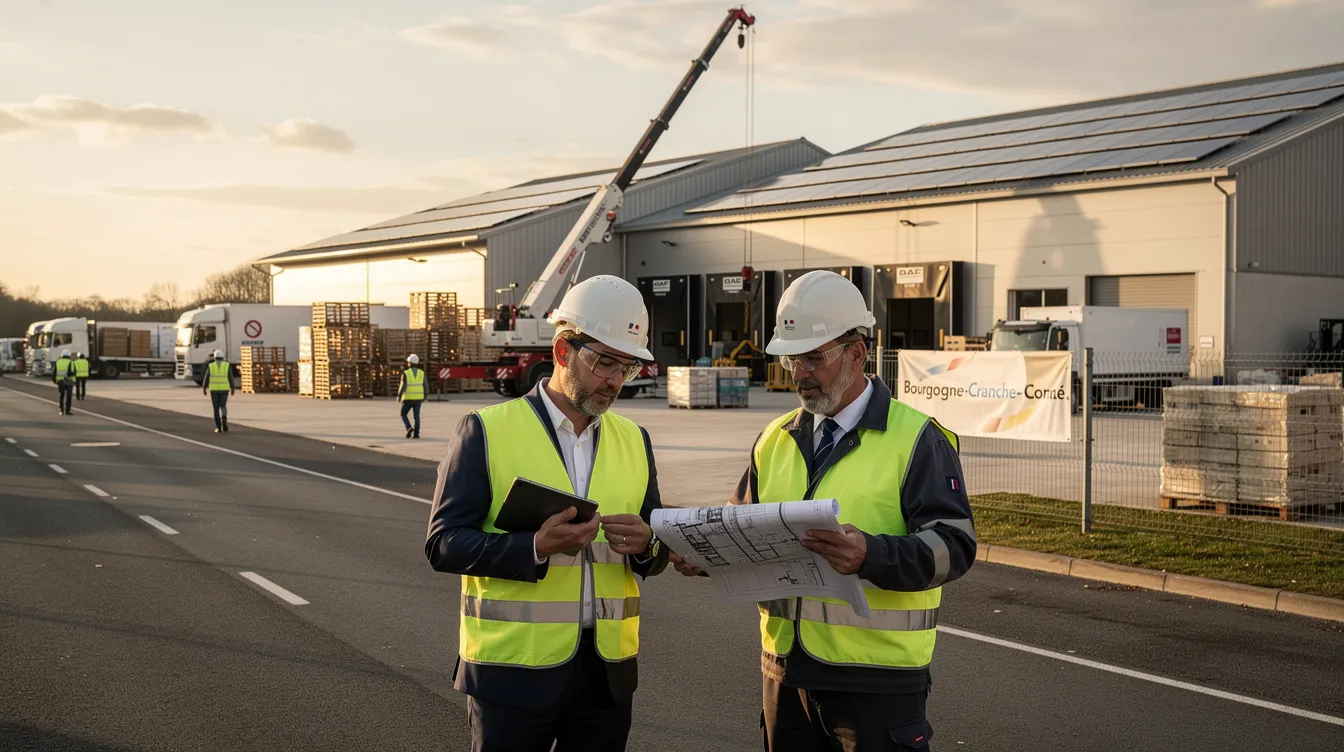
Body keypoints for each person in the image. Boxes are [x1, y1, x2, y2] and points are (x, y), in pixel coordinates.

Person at [671, 270, 977, 752]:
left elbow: (955, 547)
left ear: (857, 353)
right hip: (785, 675)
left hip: (877, 685)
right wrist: (706, 553)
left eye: (815, 357)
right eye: (794, 359)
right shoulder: (775, 438)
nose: (800, 373)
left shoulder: (918, 439)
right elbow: (740, 525)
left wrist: (870, 554)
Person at [425, 274, 670, 752]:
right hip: (512, 674)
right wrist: (535, 547)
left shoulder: (635, 441)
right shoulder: (486, 430)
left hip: (607, 676)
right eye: (605, 363)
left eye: (628, 368)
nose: (616, 381)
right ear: (562, 351)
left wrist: (647, 546)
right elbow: (442, 543)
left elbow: (656, 546)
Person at [201, 349, 235, 433]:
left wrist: (204, 388)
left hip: (214, 390)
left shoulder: (211, 366)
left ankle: (219, 427)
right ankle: (223, 416)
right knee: (223, 406)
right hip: (224, 390)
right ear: (222, 357)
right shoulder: (227, 365)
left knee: (216, 409)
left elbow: (207, 377)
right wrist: (233, 388)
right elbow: (230, 377)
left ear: (215, 357)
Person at [398, 353, 426, 439]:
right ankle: (416, 434)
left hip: (408, 398)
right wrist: (425, 396)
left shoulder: (406, 373)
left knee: (403, 414)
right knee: (416, 416)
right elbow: (426, 385)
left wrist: (399, 395)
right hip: (418, 399)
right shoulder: (422, 373)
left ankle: (409, 427)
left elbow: (403, 386)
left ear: (409, 363)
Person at [52, 349, 75, 416]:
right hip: (69, 381)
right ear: (69, 356)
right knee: (68, 396)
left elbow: (55, 372)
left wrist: (54, 380)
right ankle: (67, 411)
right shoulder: (71, 362)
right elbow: (73, 373)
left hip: (60, 381)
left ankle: (61, 410)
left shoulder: (58, 362)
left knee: (61, 395)